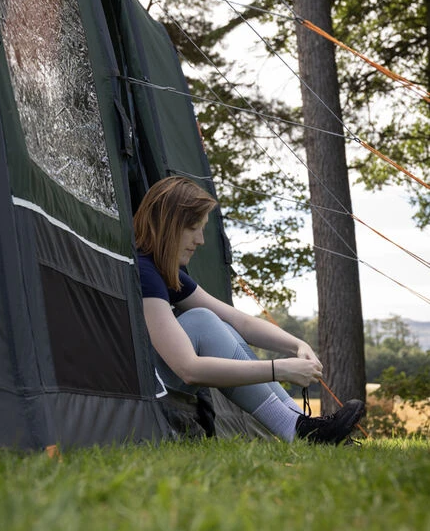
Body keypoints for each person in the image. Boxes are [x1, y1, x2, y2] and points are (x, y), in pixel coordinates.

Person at [134, 176, 365, 444]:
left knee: (221, 324)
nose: (201, 240)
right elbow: (189, 368)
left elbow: (239, 321)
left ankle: (302, 424)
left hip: (155, 384)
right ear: (167, 225)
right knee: (201, 320)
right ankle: (297, 429)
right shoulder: (144, 272)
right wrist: (279, 369)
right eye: (193, 228)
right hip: (144, 391)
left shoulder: (163, 271)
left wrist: (296, 345)